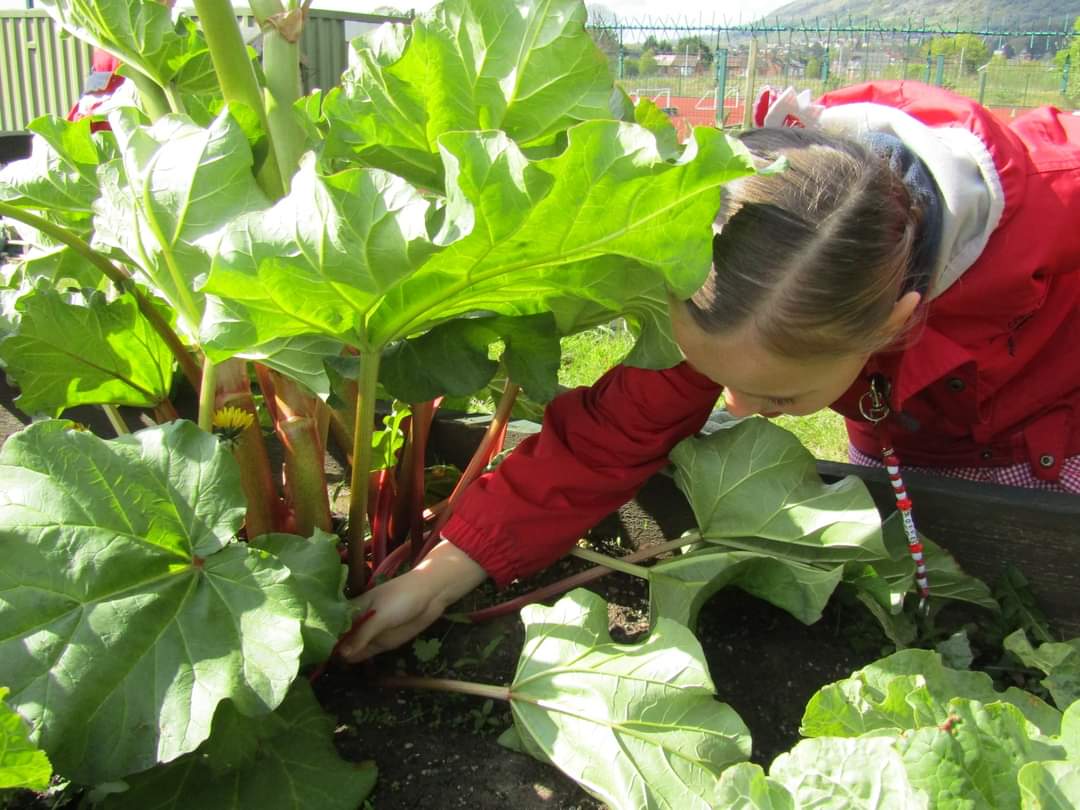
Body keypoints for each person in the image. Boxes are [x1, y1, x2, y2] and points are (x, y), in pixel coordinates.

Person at [339, 80, 1080, 662]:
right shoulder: (754, 260)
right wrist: (441, 577)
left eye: (780, 394)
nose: (739, 406)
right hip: (905, 441)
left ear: (894, 322)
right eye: (712, 371)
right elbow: (609, 438)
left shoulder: (1062, 205)